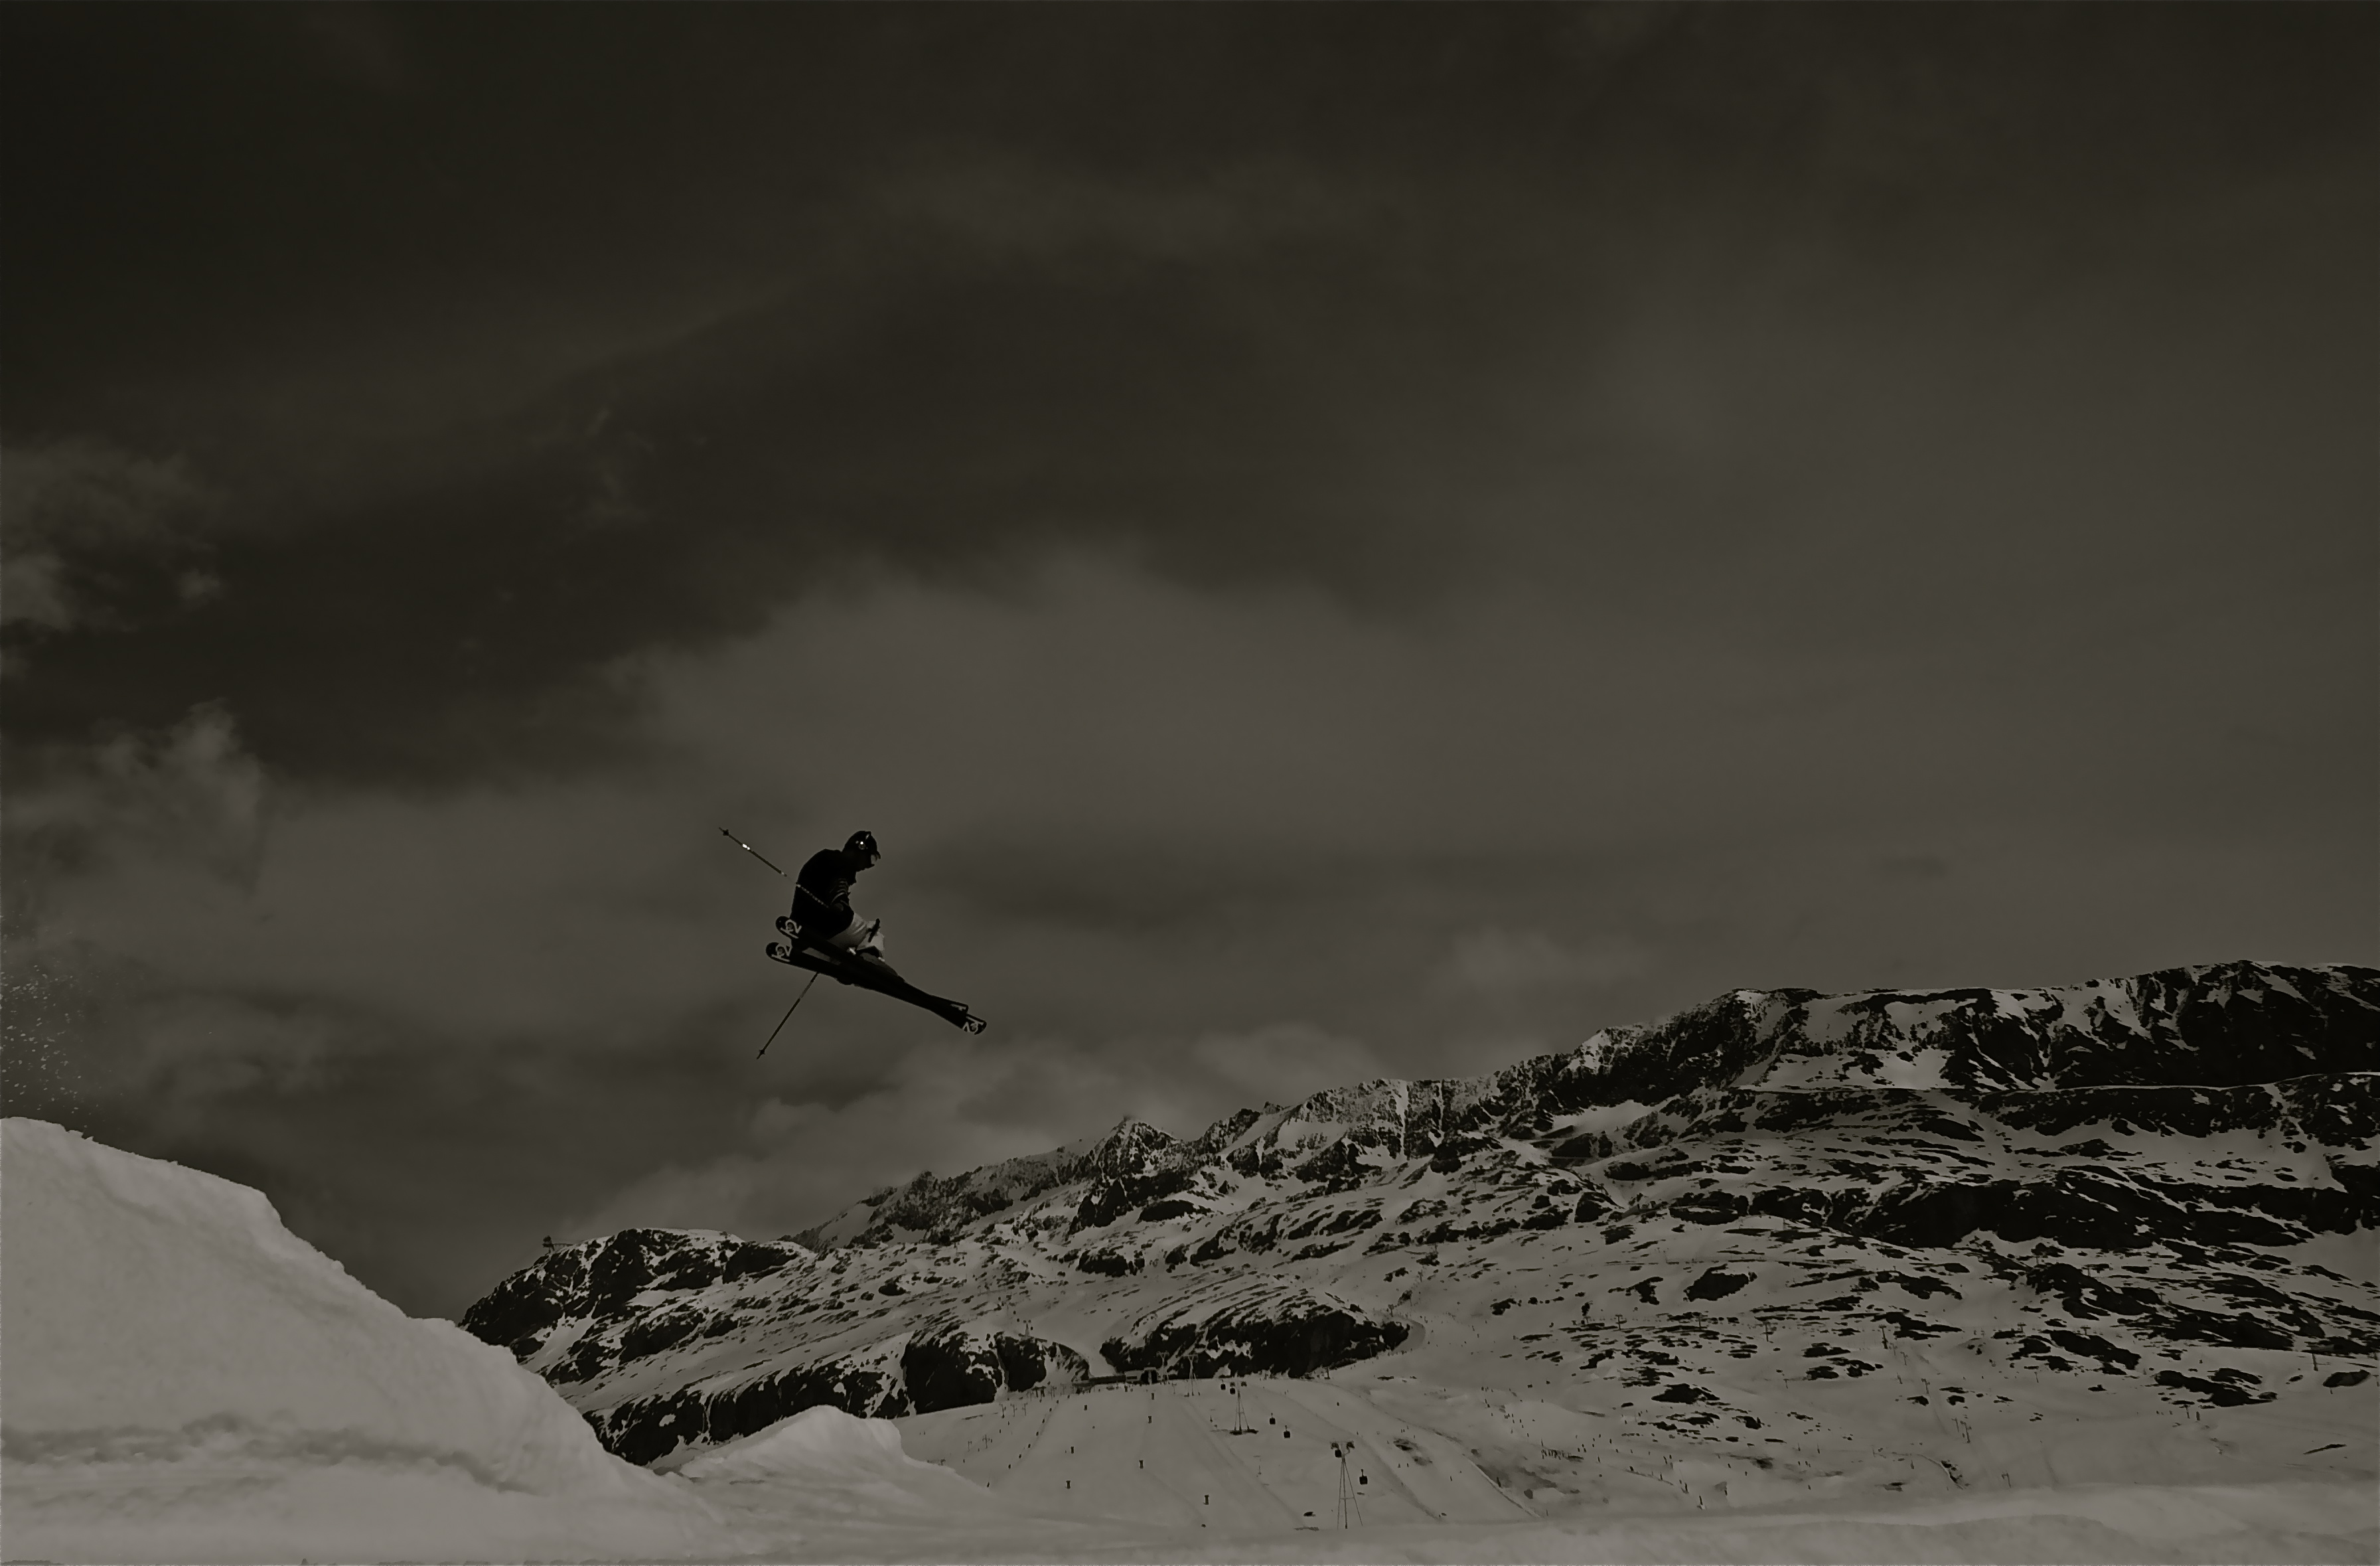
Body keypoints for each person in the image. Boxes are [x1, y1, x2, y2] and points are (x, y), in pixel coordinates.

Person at [789, 830, 893, 969]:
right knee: (872, 930)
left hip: (804, 936)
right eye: (871, 859)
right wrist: (840, 904)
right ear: (861, 848)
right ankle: (871, 960)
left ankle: (847, 968)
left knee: (844, 956)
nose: (868, 866)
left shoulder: (824, 859)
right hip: (828, 924)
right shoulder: (842, 861)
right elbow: (839, 886)